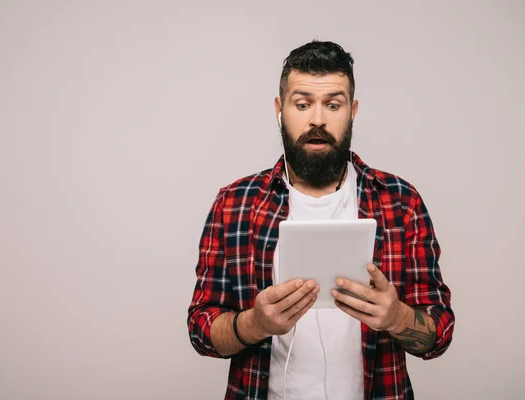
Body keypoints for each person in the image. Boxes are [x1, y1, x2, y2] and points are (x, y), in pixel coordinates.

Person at [187, 40, 455, 400]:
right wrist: (256, 323)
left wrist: (397, 318)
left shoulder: (401, 202)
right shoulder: (234, 204)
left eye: (333, 104)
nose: (317, 119)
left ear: (352, 110)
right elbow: (202, 330)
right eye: (302, 104)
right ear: (279, 110)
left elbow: (438, 335)